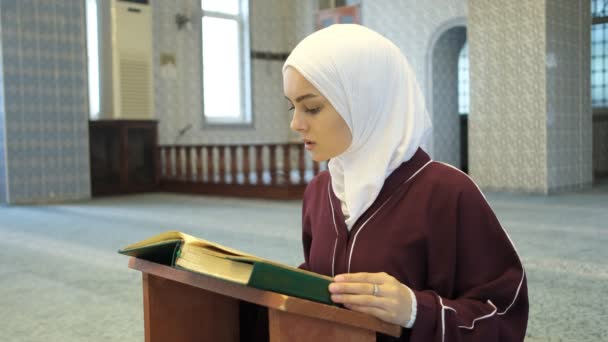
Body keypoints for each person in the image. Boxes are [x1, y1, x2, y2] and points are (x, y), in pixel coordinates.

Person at [282, 24, 528, 341]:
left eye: (312, 107)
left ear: (365, 100)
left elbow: (503, 313)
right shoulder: (320, 190)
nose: (296, 123)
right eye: (293, 106)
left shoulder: (447, 192)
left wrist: (415, 310)